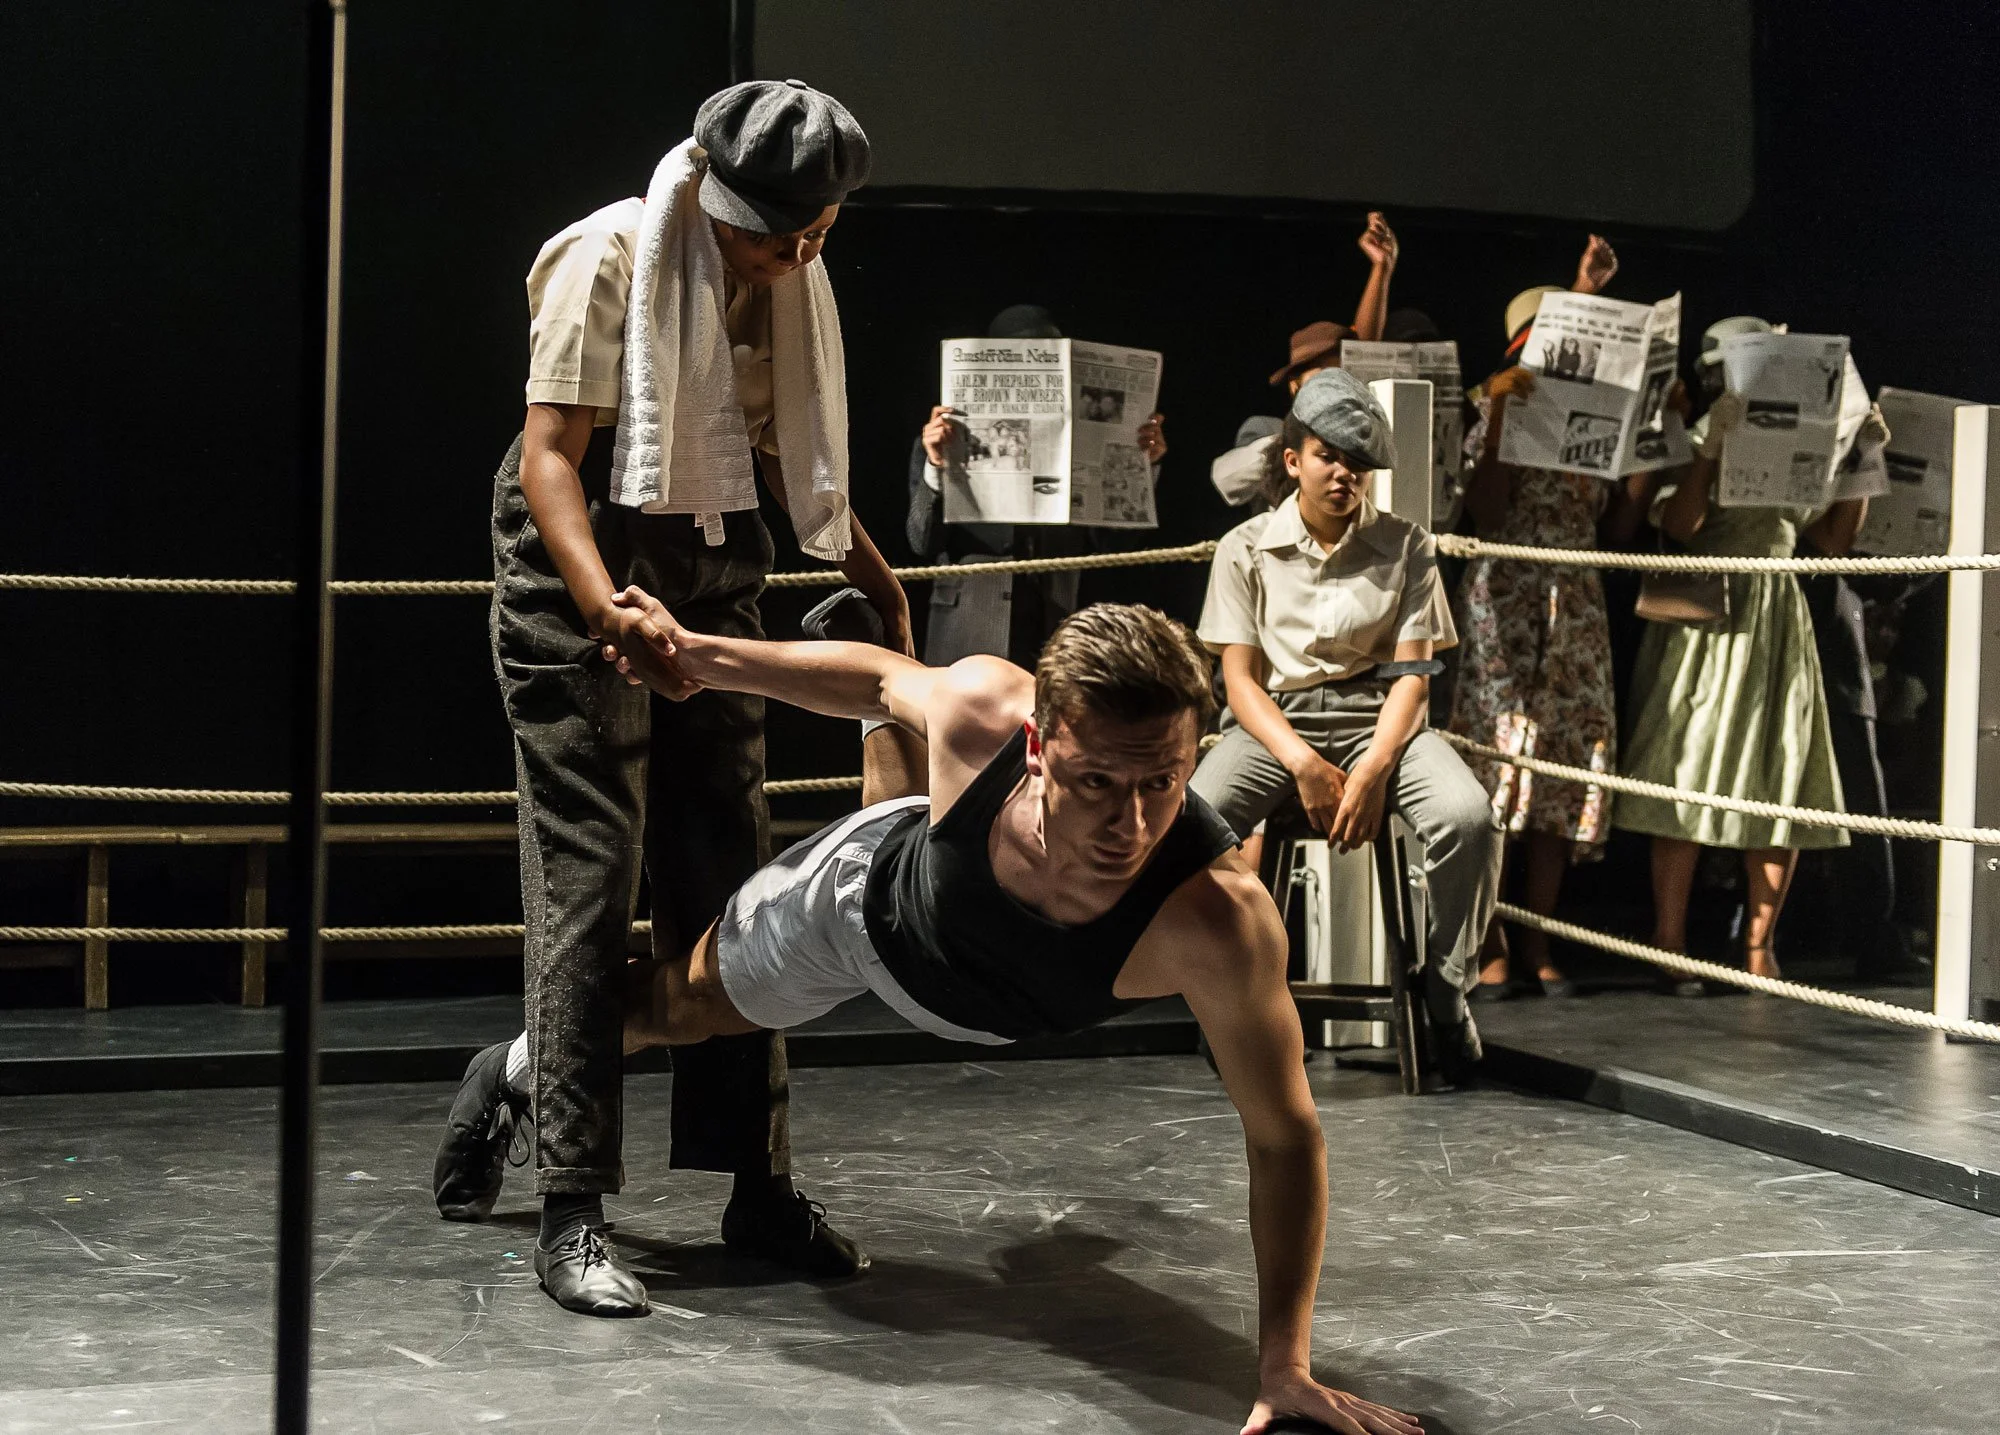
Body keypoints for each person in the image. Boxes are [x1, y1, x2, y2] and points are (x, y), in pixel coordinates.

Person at [591, 597, 1423, 1435]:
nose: (1131, 825)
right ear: (1037, 746)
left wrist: (1285, 1365)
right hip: (860, 915)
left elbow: (1285, 1137)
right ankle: (530, 1069)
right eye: (1096, 782)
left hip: (985, 994)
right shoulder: (985, 708)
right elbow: (880, 681)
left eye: (1161, 783)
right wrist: (696, 655)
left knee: (915, 801)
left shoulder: (1220, 922)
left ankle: (899, 753)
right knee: (675, 1009)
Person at [431, 79, 906, 1316]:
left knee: (733, 884)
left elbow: (780, 457)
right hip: (582, 569)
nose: (795, 258)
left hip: (714, 556)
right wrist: (608, 612)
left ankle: (756, 1182)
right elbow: (550, 458)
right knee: (591, 885)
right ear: (715, 200)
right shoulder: (609, 255)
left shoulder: (792, 277)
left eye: (816, 234)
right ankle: (571, 1202)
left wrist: (867, 568)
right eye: (774, 236)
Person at [1189, 370, 1501, 1078]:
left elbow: (1413, 677)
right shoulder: (1245, 546)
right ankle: (1225, 990)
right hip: (1276, 720)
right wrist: (1303, 763)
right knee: (1191, 823)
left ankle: (1446, 986)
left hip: (1380, 718)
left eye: (1357, 462)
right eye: (1327, 456)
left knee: (1470, 819)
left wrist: (1374, 768)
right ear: (1293, 459)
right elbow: (1239, 681)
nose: (1343, 474)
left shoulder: (1407, 544)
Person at [1616, 316, 1857, 990]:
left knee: (1781, 770)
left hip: (1776, 613)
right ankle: (1669, 940)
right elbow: (1681, 525)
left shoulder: (1797, 435)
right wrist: (1710, 449)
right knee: (1685, 767)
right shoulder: (1698, 433)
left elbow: (1832, 540)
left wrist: (1862, 461)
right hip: (1707, 611)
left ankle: (1759, 944)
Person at [1450, 257, 1649, 1000]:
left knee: (1562, 766)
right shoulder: (1490, 405)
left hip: (1577, 599)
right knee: (1501, 762)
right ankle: (1491, 936)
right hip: (1507, 594)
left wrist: (1652, 448)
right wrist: (1502, 416)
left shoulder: (1591, 411)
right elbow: (1487, 509)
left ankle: (1539, 936)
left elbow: (1620, 526)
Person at [906, 304, 1168, 679]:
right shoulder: (940, 441)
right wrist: (936, 465)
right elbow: (922, 542)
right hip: (969, 631)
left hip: (1058, 625)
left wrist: (1141, 464)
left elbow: (1114, 544)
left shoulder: (1075, 442)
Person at [1210, 213, 1402, 508]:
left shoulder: (1364, 438)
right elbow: (1225, 478)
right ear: (1294, 385)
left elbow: (1364, 349)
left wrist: (1381, 269)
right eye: (1324, 379)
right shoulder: (1265, 429)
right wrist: (1304, 437)